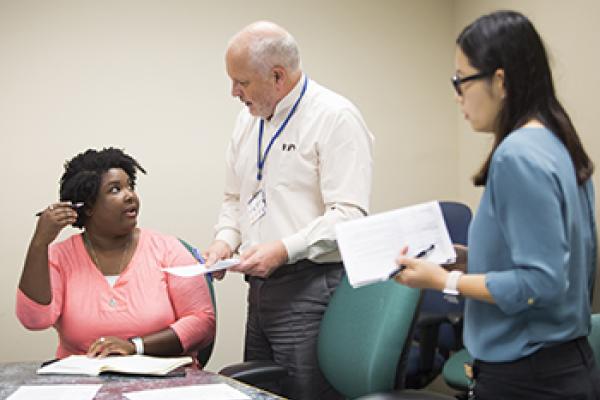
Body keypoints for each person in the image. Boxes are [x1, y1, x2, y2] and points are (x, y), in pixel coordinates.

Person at [394, 10, 599, 399]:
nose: (458, 97)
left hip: (528, 376)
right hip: (562, 365)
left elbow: (542, 282)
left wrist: (443, 280)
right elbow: (554, 257)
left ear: (500, 81)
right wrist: (471, 260)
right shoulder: (559, 142)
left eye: (461, 81)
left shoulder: (516, 155)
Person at [204, 21, 373, 399]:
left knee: (303, 392)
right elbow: (235, 198)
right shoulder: (248, 120)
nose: (234, 92)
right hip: (260, 289)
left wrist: (284, 249)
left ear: (277, 76)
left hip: (310, 285)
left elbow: (349, 214)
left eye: (241, 82)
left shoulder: (335, 117)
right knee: (257, 391)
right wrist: (223, 242)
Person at [17, 148, 215, 364]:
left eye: (130, 186)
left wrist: (135, 346)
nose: (129, 195)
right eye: (115, 189)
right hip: (83, 385)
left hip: (164, 382)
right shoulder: (61, 257)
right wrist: (39, 243)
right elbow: (34, 320)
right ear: (88, 206)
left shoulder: (169, 248)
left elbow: (202, 322)